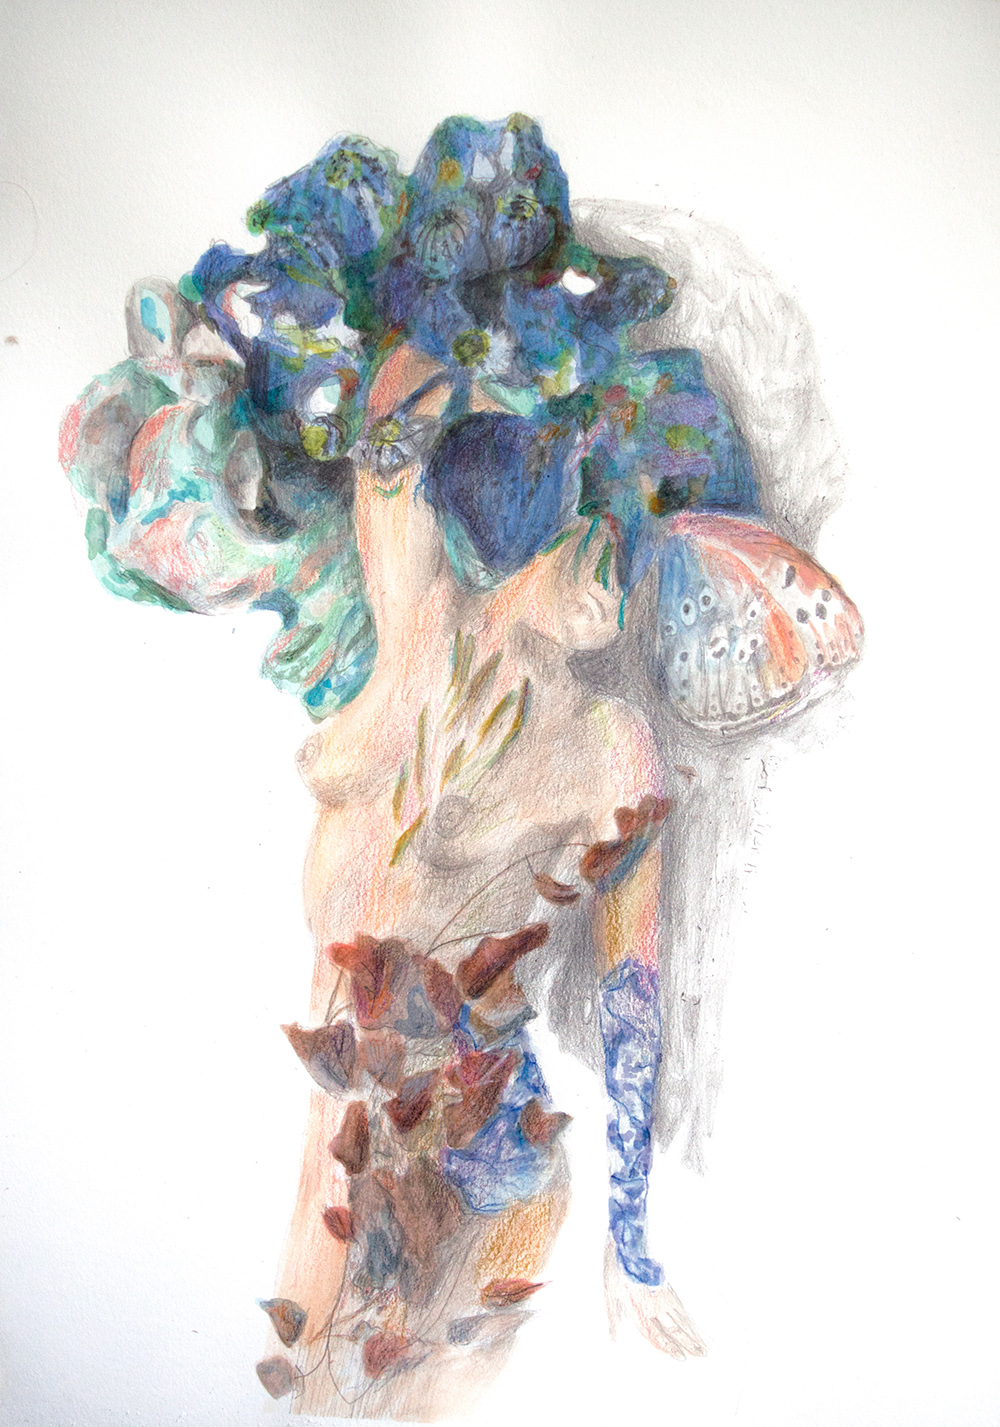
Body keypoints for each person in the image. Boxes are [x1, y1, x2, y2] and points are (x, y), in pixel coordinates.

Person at [60, 114, 862, 1419]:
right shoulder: (417, 617)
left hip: (491, 1139)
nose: (609, 563)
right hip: (363, 1102)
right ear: (519, 535)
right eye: (584, 529)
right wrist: (479, 330)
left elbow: (637, 992)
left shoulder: (613, 750)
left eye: (627, 545)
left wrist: (632, 1243)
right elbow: (388, 433)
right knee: (324, 1354)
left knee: (412, 1358)